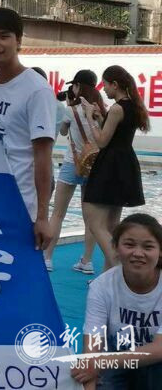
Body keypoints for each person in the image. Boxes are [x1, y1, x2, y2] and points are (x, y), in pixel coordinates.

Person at [0, 7, 55, 250]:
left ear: (18, 41)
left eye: (4, 36)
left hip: (22, 207)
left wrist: (42, 217)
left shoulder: (37, 90)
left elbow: (43, 156)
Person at [72, 213, 162, 389]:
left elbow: (160, 349)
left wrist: (100, 362)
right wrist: (90, 373)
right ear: (115, 247)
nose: (138, 253)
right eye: (129, 244)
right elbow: (92, 350)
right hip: (116, 361)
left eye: (148, 247)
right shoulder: (101, 287)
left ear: (160, 252)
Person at [82, 65, 151, 272]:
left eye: (105, 85)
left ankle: (121, 266)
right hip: (125, 164)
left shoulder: (117, 108)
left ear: (115, 84)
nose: (103, 89)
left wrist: (89, 117)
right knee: (113, 226)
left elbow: (102, 141)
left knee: (95, 222)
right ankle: (110, 276)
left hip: (110, 165)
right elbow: (118, 133)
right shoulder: (133, 106)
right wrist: (99, 118)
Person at [46, 70, 103, 274]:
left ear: (78, 86)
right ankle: (87, 261)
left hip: (72, 163)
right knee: (91, 218)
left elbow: (63, 131)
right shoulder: (101, 109)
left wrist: (70, 106)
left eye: (74, 86)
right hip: (93, 165)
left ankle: (47, 258)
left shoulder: (71, 110)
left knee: (58, 214)